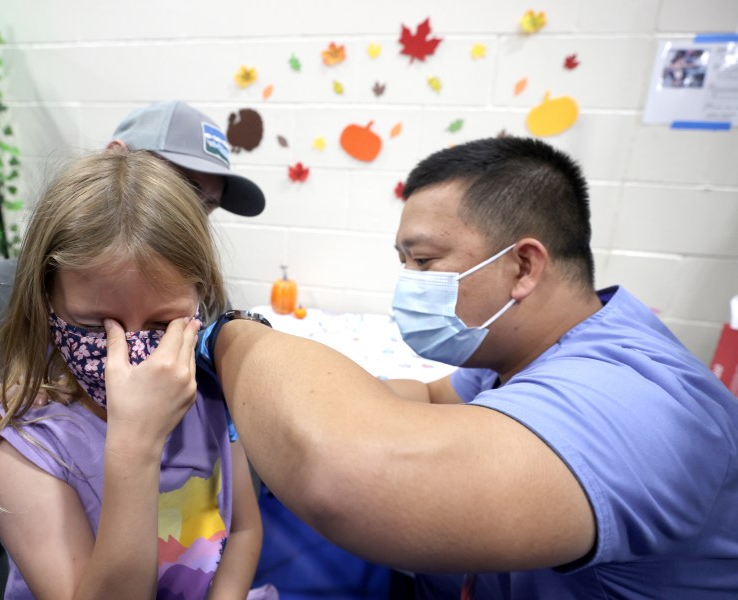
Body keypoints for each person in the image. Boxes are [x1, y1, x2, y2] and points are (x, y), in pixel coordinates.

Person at [192, 137, 738, 597]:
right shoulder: (522, 349)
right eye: (403, 262)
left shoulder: (638, 405)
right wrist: (298, 409)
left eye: (424, 261)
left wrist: (228, 336)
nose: (408, 281)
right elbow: (430, 399)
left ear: (523, 266)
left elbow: (351, 477)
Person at [0, 100, 264, 598]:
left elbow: (237, 511)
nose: (171, 216)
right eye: (173, 188)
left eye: (201, 208)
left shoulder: (199, 321)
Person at [0, 150, 263, 599]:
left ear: (199, 300)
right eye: (94, 325)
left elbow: (242, 531)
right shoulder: (16, 440)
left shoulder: (213, 397)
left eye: (163, 325)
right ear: (45, 305)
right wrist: (135, 443)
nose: (131, 356)